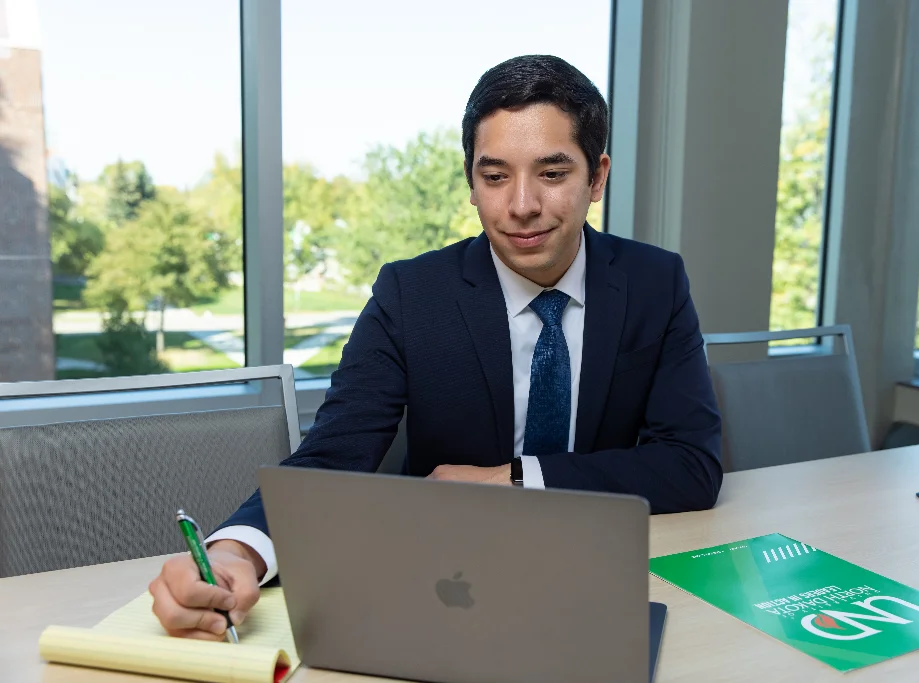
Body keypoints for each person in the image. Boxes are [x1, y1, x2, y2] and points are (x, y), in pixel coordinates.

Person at [148, 54, 723, 640]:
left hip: (605, 577)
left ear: (597, 177)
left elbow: (692, 465)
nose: (521, 205)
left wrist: (517, 479)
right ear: (471, 182)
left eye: (552, 174)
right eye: (495, 176)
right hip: (452, 588)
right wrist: (237, 555)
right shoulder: (410, 293)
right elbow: (331, 457)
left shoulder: (657, 282)